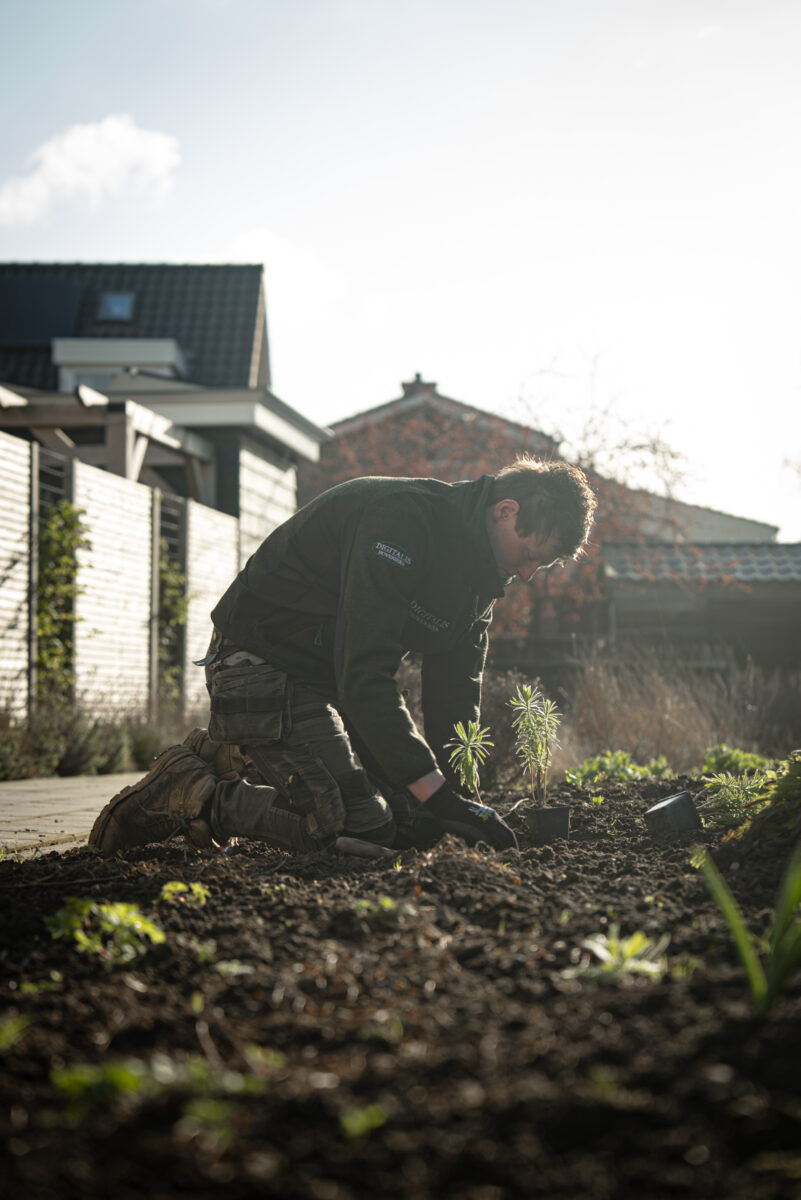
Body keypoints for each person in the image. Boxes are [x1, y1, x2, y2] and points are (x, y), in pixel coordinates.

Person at [89, 456, 596, 858]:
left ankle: (234, 753)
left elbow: (455, 691)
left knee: (412, 824)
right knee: (363, 828)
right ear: (506, 511)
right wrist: (437, 794)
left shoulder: (482, 577)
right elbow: (364, 674)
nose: (528, 574)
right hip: (258, 663)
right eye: (531, 555)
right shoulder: (404, 520)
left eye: (541, 565)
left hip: (323, 683)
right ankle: (195, 792)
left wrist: (459, 804)